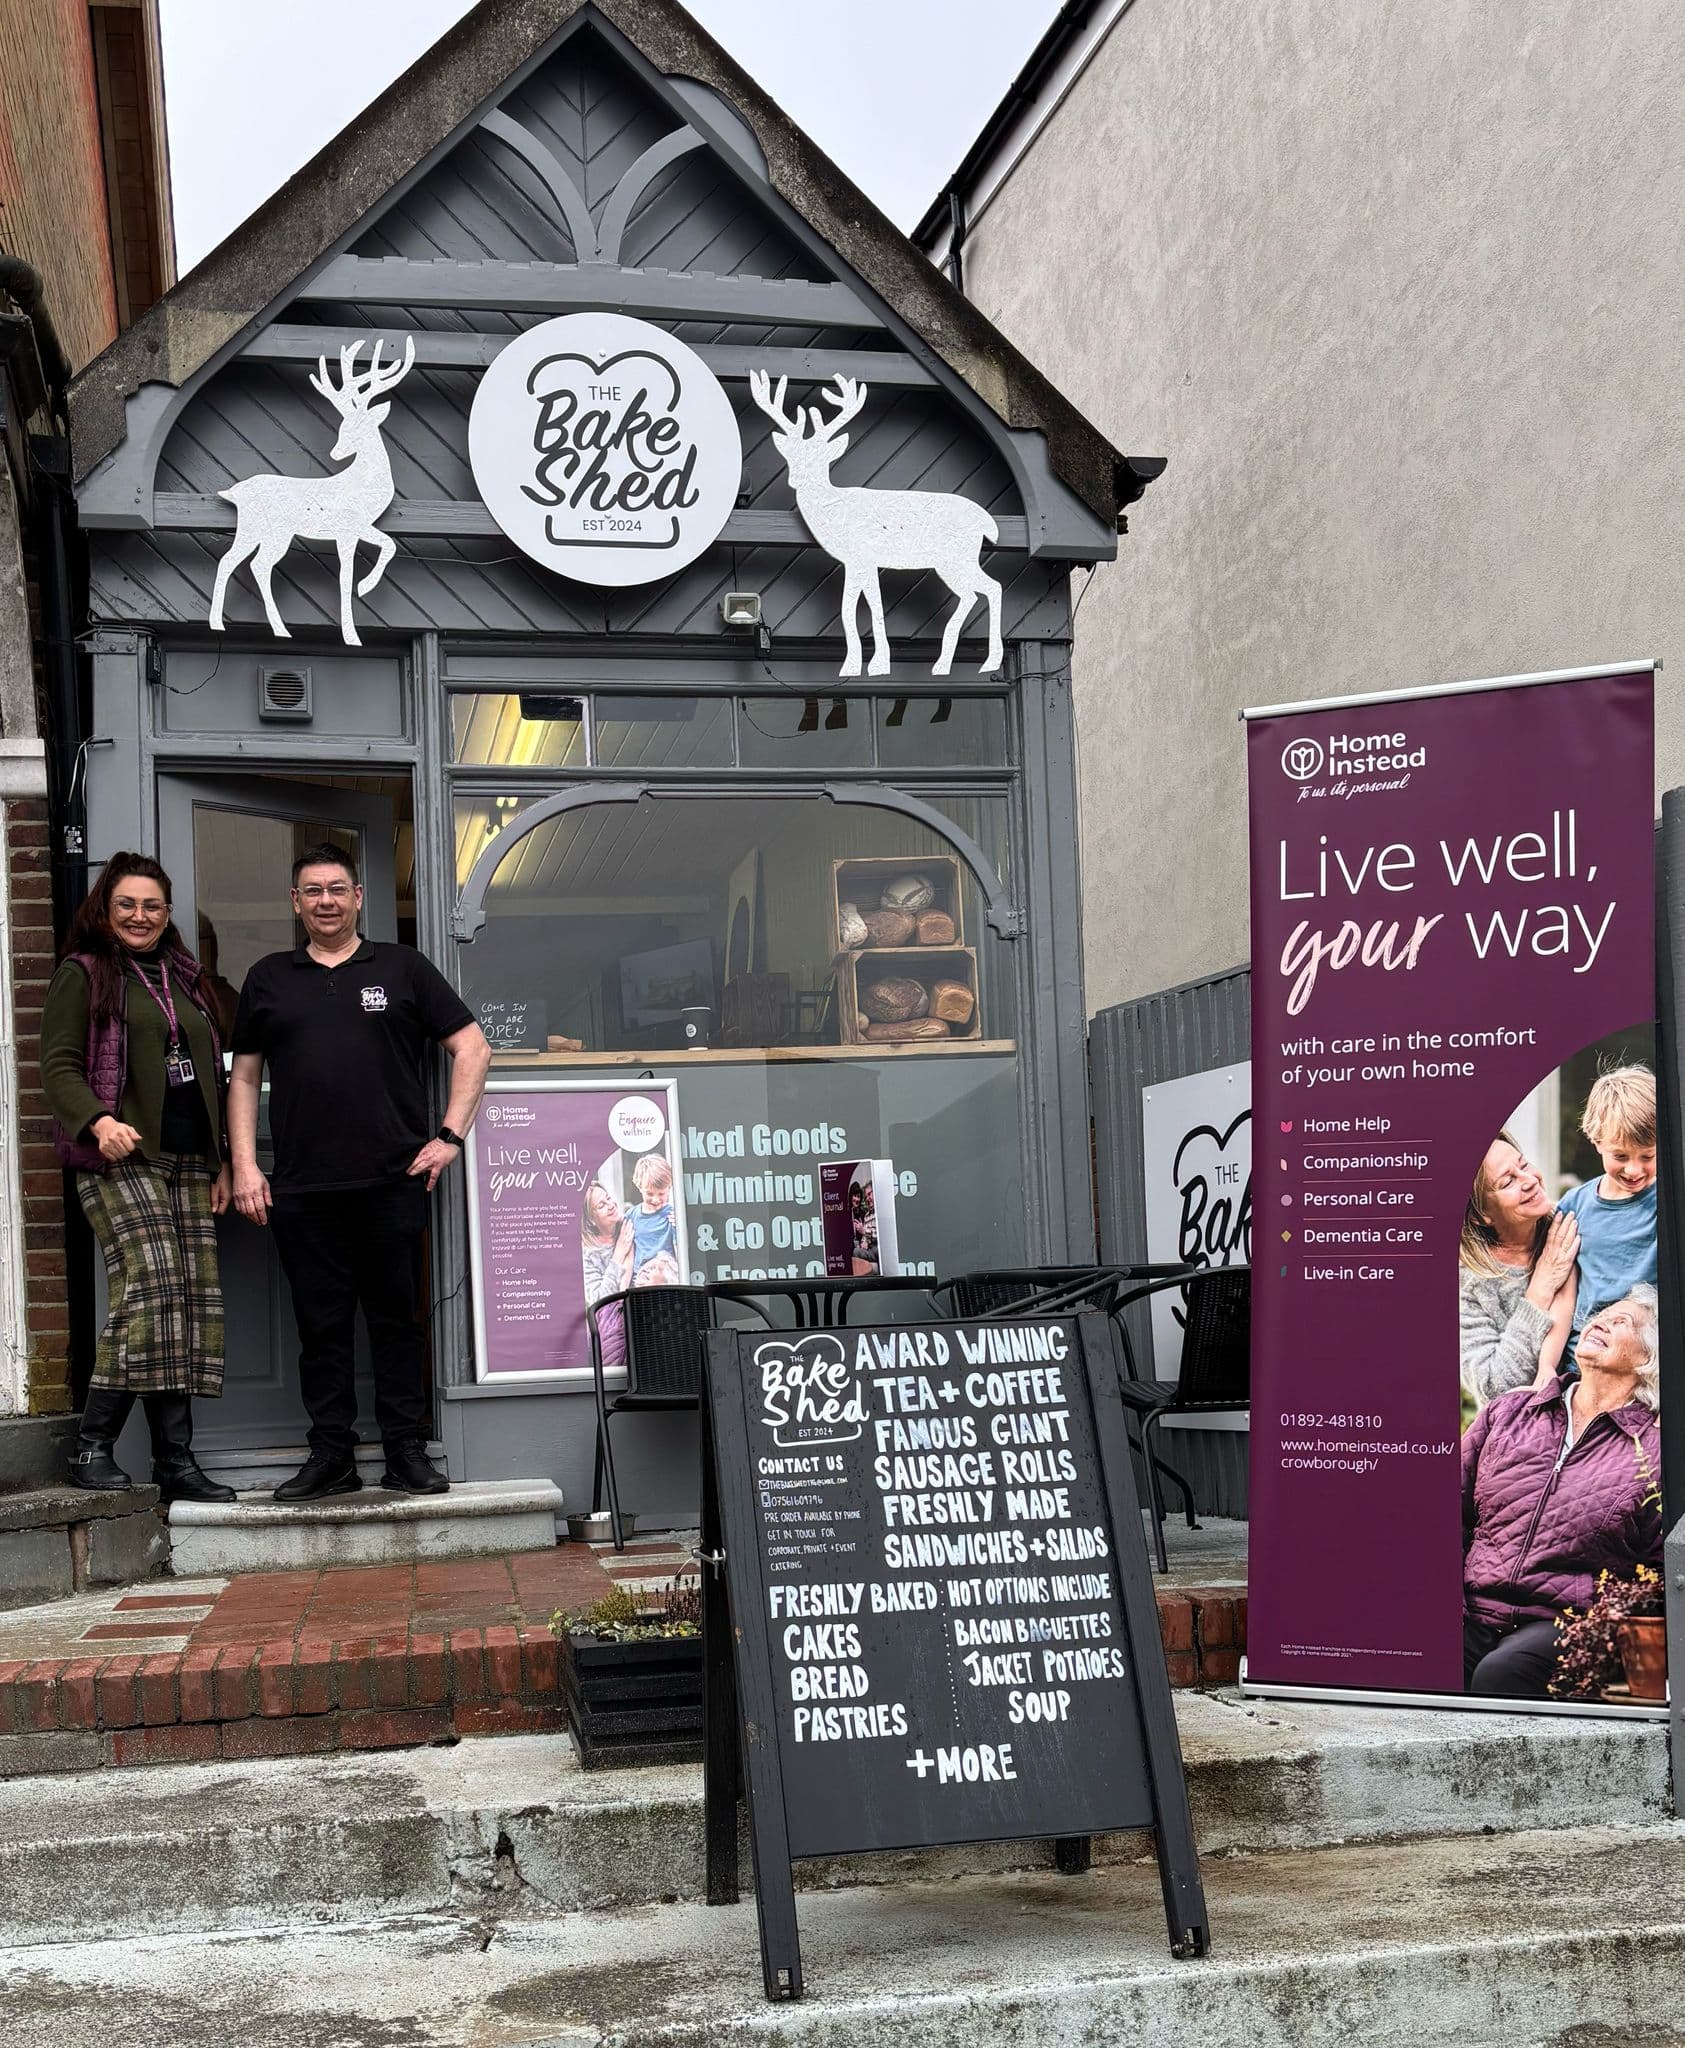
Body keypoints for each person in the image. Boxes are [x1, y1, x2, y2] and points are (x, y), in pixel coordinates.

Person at [227, 844, 490, 1500]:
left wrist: (449, 1137)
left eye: (337, 889)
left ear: (358, 896)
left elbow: (472, 1046)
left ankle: (405, 1454)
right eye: (312, 890)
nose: (325, 901)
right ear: (296, 902)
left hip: (391, 1182)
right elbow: (244, 1076)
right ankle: (332, 1458)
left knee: (396, 1322)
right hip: (302, 1187)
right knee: (321, 1329)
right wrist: (243, 1166)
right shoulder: (268, 977)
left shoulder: (401, 968)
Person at [40, 855, 237, 1504]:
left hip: (187, 1162)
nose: (140, 917)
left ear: (167, 913)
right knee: (150, 1289)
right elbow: (59, 1066)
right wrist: (97, 1120)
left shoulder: (186, 977)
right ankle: (92, 1446)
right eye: (127, 904)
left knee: (186, 1303)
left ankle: (175, 1462)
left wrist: (223, 1161)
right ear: (105, 907)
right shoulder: (86, 973)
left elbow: (217, 1075)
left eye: (152, 906)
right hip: (120, 1158)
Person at [1461, 1286, 1662, 1697]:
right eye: (1604, 1314)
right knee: (1417, 1656)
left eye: (1626, 1322)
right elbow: (1441, 1514)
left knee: (1501, 1675)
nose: (1604, 1320)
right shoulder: (1510, 1413)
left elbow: (1658, 1567)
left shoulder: (1654, 1448)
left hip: (1568, 1620)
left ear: (1647, 1361)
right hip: (1473, 1606)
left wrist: (1610, 1625)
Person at [1458, 1133, 1578, 1408]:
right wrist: (1540, 1289)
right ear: (1480, 1214)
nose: (1529, 1180)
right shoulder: (1466, 1282)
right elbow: (1494, 1387)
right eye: (1508, 1181)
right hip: (1527, 1434)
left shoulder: (1573, 1225)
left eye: (1523, 1165)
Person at [1557, 1065, 1657, 1350]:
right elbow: (1564, 1296)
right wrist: (1546, 1368)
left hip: (1647, 1356)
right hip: (1583, 1355)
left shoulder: (1667, 1201)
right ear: (1597, 1141)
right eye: (1620, 1155)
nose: (1634, 1169)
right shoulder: (1573, 1207)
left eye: (1647, 1155)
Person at [580, 1181, 629, 1305]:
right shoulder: (588, 1255)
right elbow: (598, 1300)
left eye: (608, 1198)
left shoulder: (628, 1224)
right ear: (591, 1220)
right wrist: (618, 1256)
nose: (611, 1205)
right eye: (601, 1205)